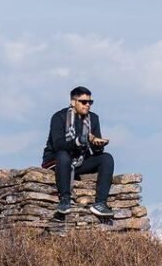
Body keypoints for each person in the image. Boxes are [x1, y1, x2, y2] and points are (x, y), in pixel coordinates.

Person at [41, 86, 115, 217]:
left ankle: (100, 203)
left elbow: (95, 150)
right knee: (63, 155)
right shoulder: (59, 117)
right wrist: (78, 141)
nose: (87, 105)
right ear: (73, 102)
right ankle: (65, 199)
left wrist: (98, 145)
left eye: (90, 102)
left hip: (79, 160)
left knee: (106, 158)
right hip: (57, 161)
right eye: (83, 102)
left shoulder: (93, 118)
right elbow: (58, 145)